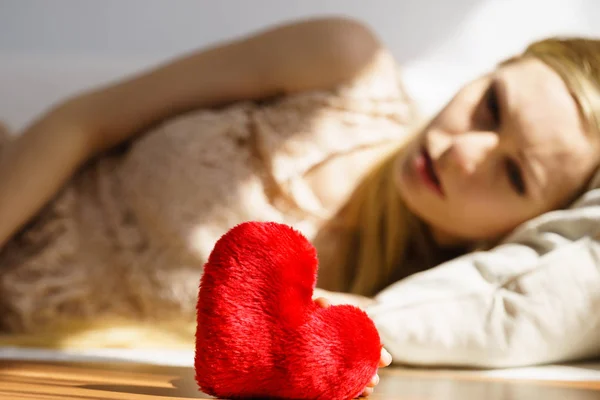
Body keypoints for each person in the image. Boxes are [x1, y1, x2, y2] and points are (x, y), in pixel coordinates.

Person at [0, 16, 599, 389]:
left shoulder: (383, 317)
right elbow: (84, 123)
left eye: (515, 175)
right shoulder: (341, 65)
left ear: (533, 224)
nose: (463, 152)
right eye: (491, 106)